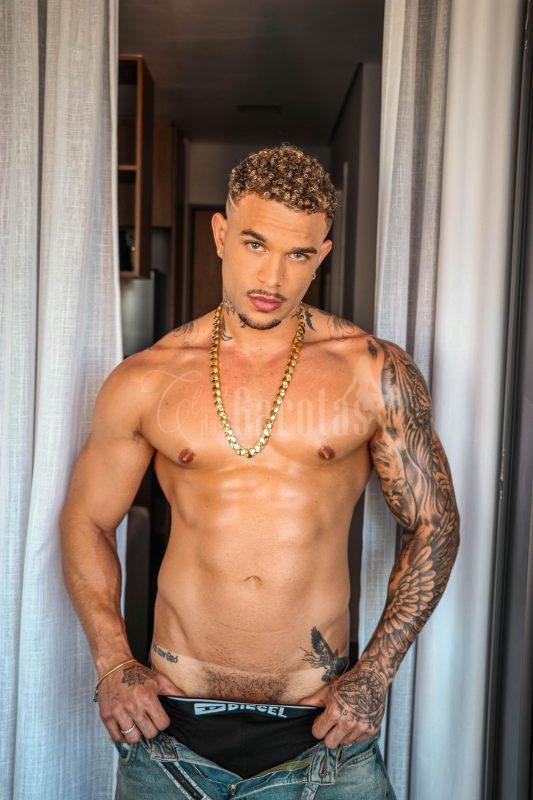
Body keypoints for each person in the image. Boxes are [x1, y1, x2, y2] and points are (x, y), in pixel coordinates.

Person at [60, 144, 460, 800]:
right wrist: (111, 662)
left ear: (322, 255)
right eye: (254, 244)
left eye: (298, 254)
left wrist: (375, 675)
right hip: (170, 733)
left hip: (323, 738)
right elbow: (88, 521)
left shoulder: (372, 372)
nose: (272, 276)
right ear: (221, 235)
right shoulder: (147, 378)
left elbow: (434, 525)